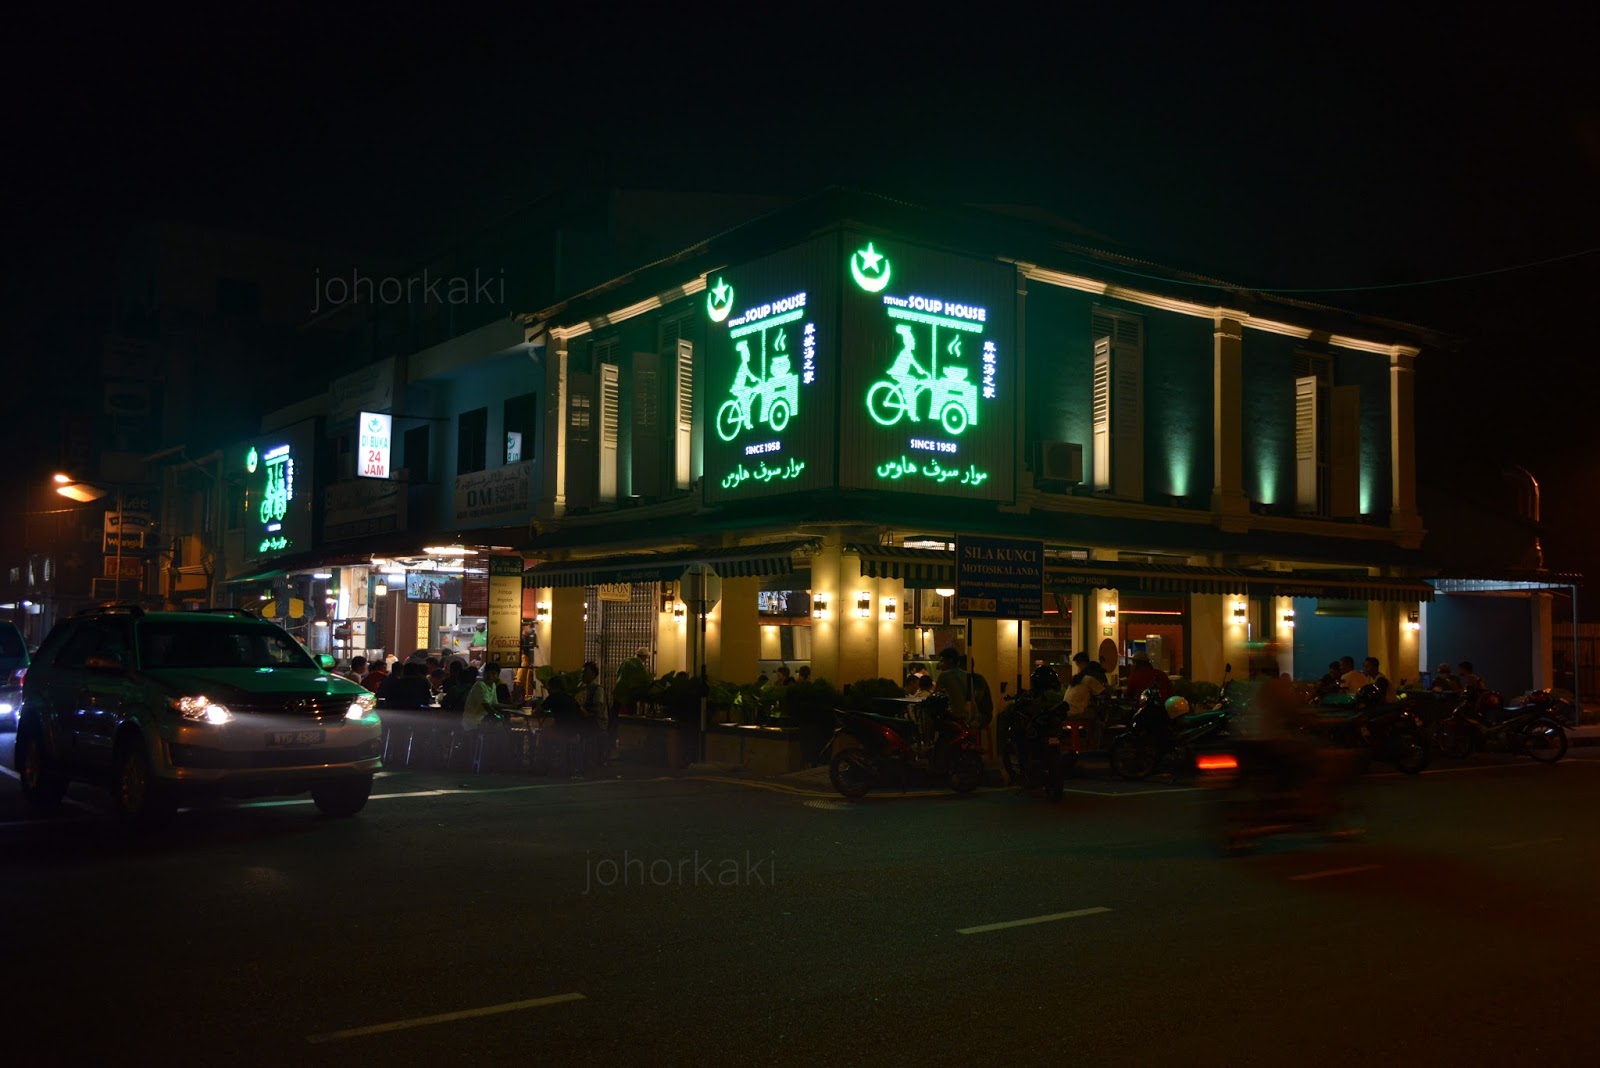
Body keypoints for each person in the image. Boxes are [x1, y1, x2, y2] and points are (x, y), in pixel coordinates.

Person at [542, 675, 587, 777]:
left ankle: (546, 763)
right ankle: (568, 764)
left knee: (543, 733)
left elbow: (538, 711)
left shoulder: (552, 697)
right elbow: (583, 713)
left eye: (549, 686)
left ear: (554, 687)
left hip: (561, 732)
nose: (547, 689)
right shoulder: (570, 697)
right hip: (575, 733)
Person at [576, 660, 609, 766]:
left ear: (594, 675)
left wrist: (581, 708)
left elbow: (597, 709)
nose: (582, 674)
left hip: (597, 722)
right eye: (582, 672)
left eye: (585, 672)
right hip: (587, 719)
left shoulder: (597, 689)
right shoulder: (581, 687)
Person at [462, 664, 505, 733]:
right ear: (484, 673)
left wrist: (513, 707)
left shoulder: (493, 685)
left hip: (482, 722)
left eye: (493, 674)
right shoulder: (480, 685)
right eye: (488, 673)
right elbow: (487, 706)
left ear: (497, 676)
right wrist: (499, 716)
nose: (490, 676)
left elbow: (495, 704)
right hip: (472, 725)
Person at [614, 648, 652, 717]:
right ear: (644, 656)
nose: (646, 659)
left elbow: (618, 672)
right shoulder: (639, 664)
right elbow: (645, 679)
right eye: (647, 657)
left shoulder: (626, 660)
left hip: (619, 690)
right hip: (629, 693)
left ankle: (611, 727)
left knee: (615, 712)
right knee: (630, 715)